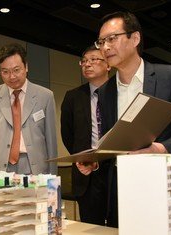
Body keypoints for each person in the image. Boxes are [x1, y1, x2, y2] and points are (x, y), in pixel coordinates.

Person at [92, 11, 171, 227]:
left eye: (112, 39)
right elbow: (111, 141)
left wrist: (161, 148)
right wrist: (94, 161)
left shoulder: (170, 77)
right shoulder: (104, 92)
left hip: (166, 186)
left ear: (135, 38)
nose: (105, 47)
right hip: (121, 188)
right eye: (101, 42)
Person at [0, 43, 58, 176]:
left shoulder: (45, 96)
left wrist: (53, 179)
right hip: (1, 171)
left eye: (16, 70)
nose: (11, 76)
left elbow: (51, 144)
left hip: (35, 170)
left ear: (26, 67)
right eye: (5, 71)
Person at [61, 45, 110, 225]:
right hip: (85, 175)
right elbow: (68, 135)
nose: (87, 64)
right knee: (91, 226)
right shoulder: (72, 96)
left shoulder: (120, 92)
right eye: (84, 61)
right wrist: (84, 158)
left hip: (116, 171)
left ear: (108, 65)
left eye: (94, 60)